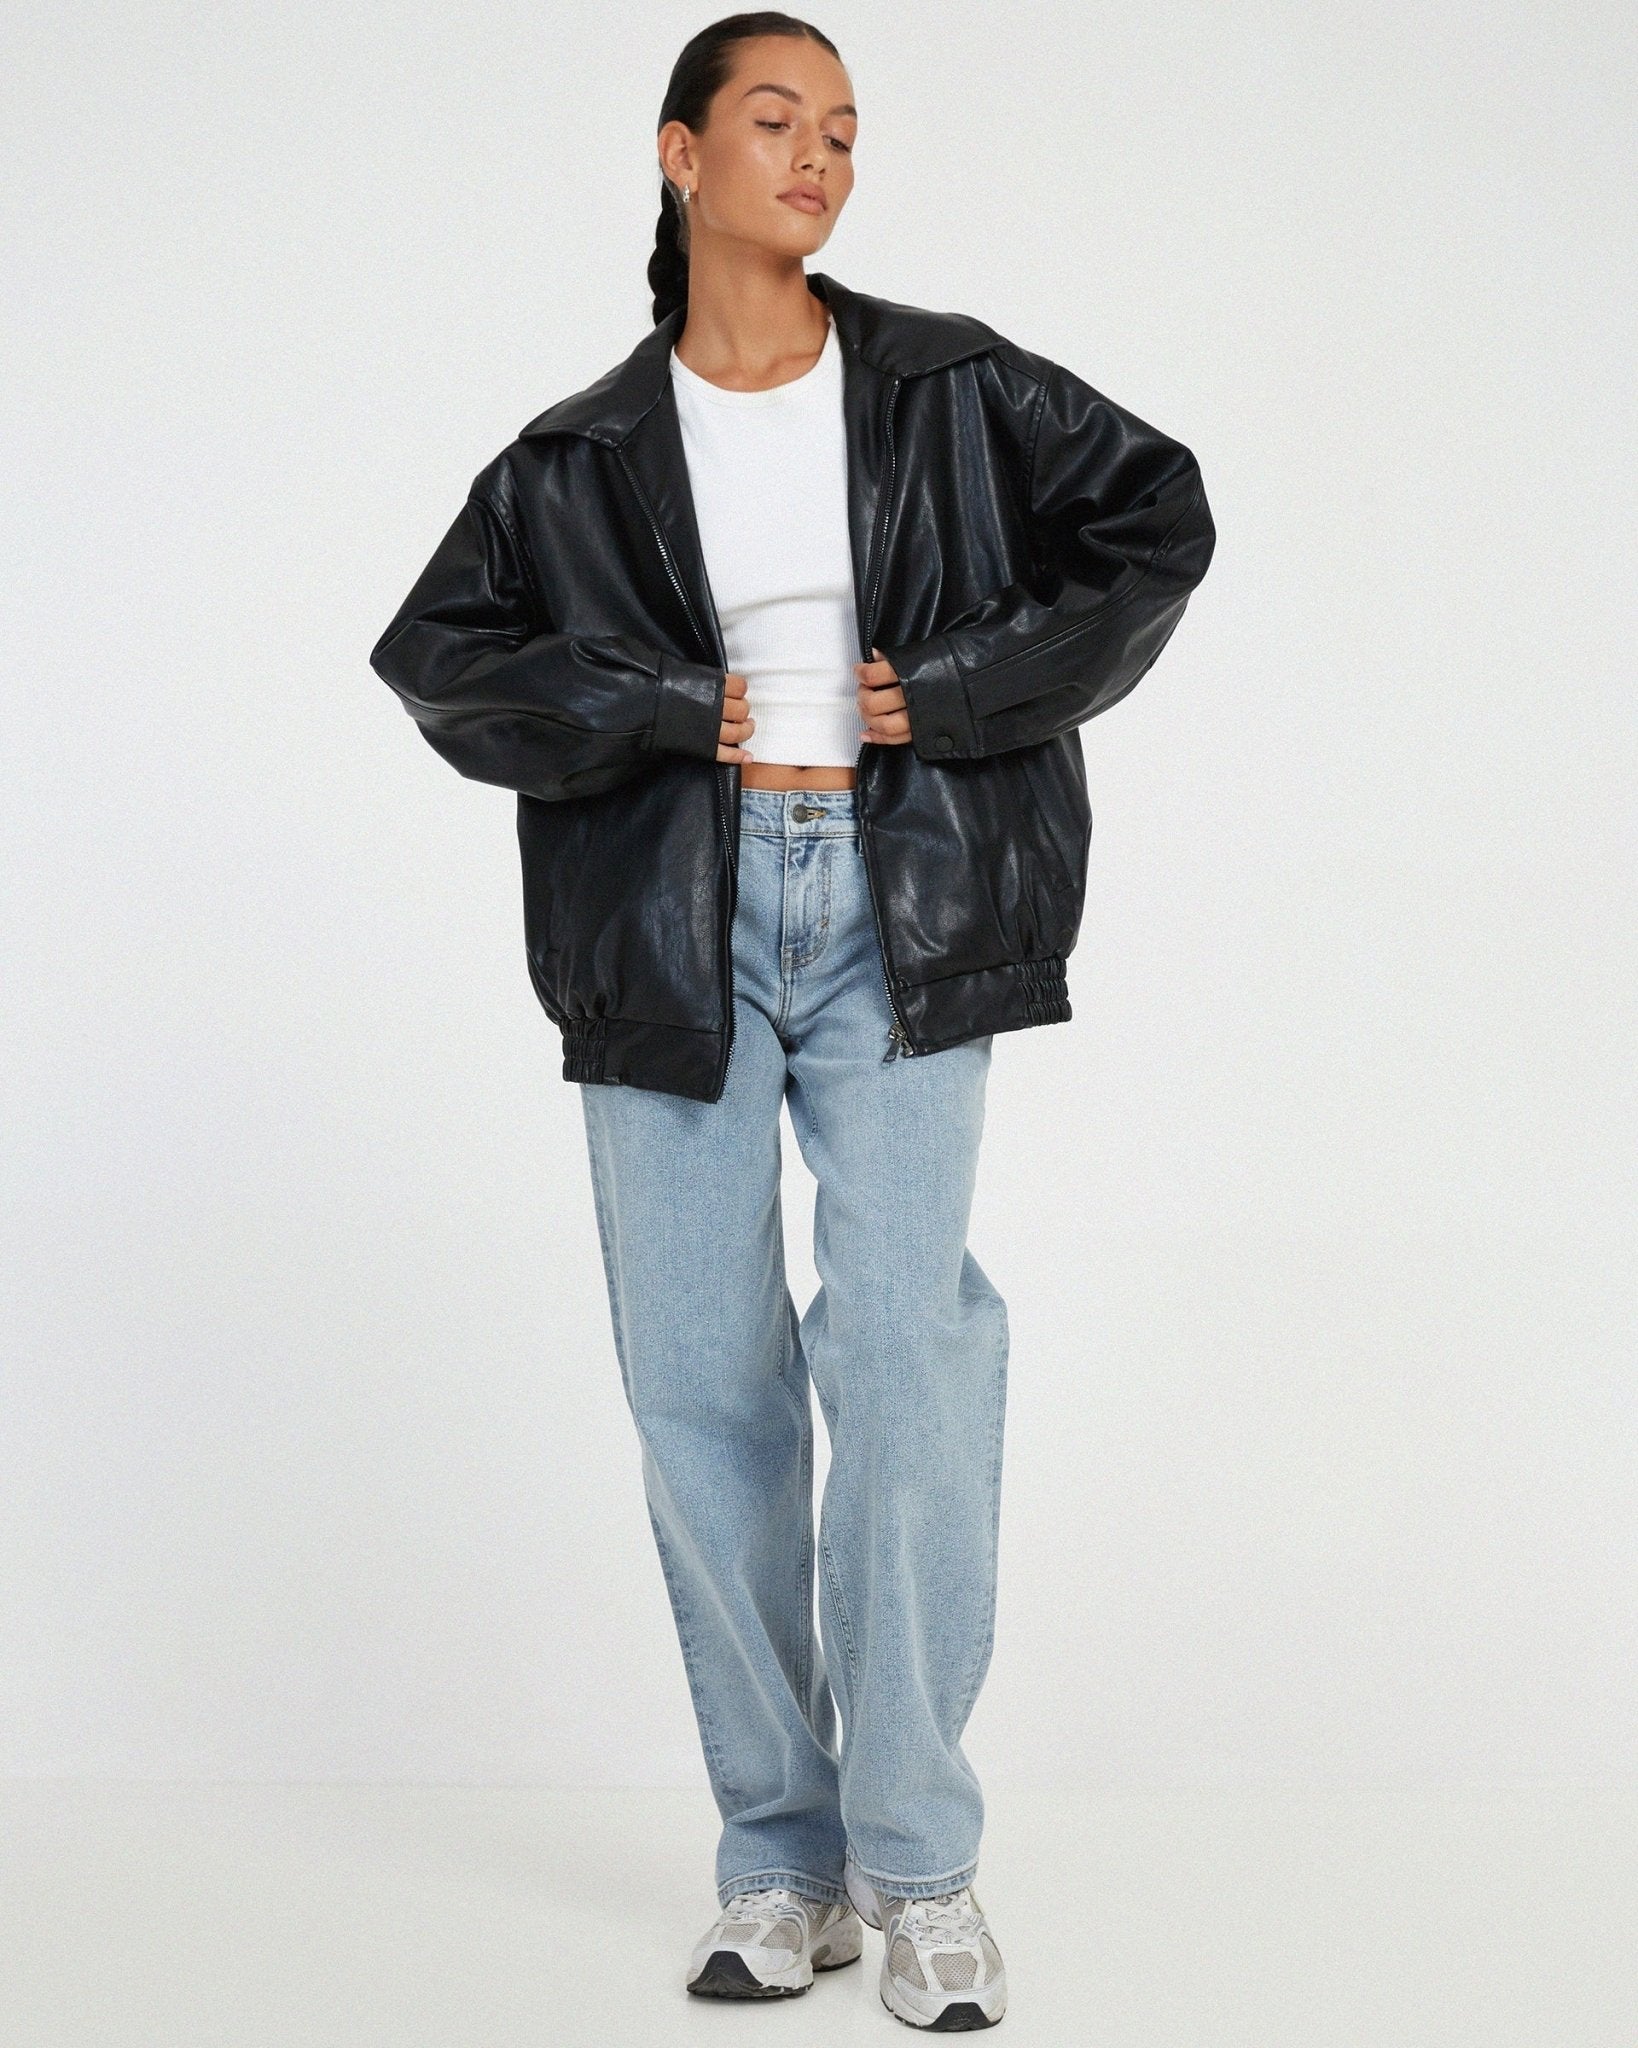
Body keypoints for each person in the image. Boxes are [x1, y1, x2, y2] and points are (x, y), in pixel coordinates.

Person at [369, 13, 1215, 2029]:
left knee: (907, 1356)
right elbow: (440, 661)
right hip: (668, 920)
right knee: (702, 1386)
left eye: (841, 127)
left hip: (902, 899)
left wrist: (977, 684)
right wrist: (671, 709)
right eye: (774, 120)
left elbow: (1158, 520)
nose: (818, 154)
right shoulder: (575, 457)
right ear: (680, 155)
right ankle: (776, 1854)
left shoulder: (953, 384)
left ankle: (917, 1863)